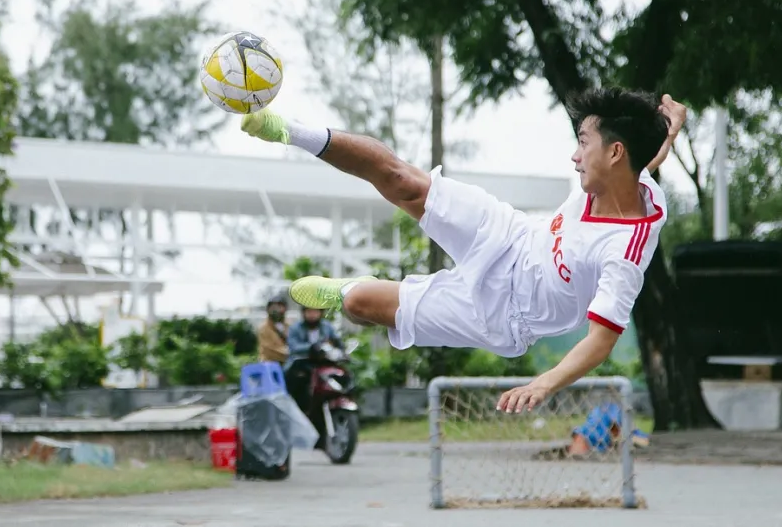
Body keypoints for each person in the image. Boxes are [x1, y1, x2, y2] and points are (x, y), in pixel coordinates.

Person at [241, 88, 687, 415]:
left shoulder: (623, 252)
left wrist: (543, 384)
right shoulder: (628, 176)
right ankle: (284, 130)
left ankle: (348, 292)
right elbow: (645, 157)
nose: (574, 156)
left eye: (583, 143)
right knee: (404, 181)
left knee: (361, 303)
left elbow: (601, 341)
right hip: (511, 235)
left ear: (613, 153)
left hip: (503, 313)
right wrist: (668, 126)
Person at [283, 304, 342, 415]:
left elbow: (337, 342)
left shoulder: (327, 326)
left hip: (323, 363)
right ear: (303, 313)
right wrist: (312, 347)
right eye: (309, 312)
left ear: (321, 313)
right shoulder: (295, 328)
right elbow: (293, 347)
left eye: (315, 311)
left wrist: (341, 350)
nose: (312, 315)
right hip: (301, 364)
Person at [256, 292, 291, 364]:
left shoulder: (290, 326)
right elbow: (269, 350)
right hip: (270, 364)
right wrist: (289, 353)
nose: (276, 310)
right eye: (273, 307)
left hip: (289, 362)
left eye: (279, 306)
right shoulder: (263, 328)